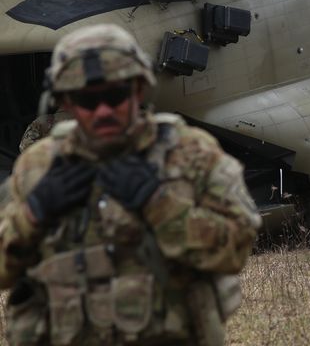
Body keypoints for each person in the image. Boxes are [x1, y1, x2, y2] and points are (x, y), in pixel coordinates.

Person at [0, 24, 261, 346]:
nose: (103, 111)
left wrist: (158, 203)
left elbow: (235, 250)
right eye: (87, 99)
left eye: (115, 95)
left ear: (138, 90)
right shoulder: (37, 168)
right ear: (67, 100)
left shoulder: (190, 154)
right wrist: (33, 215)